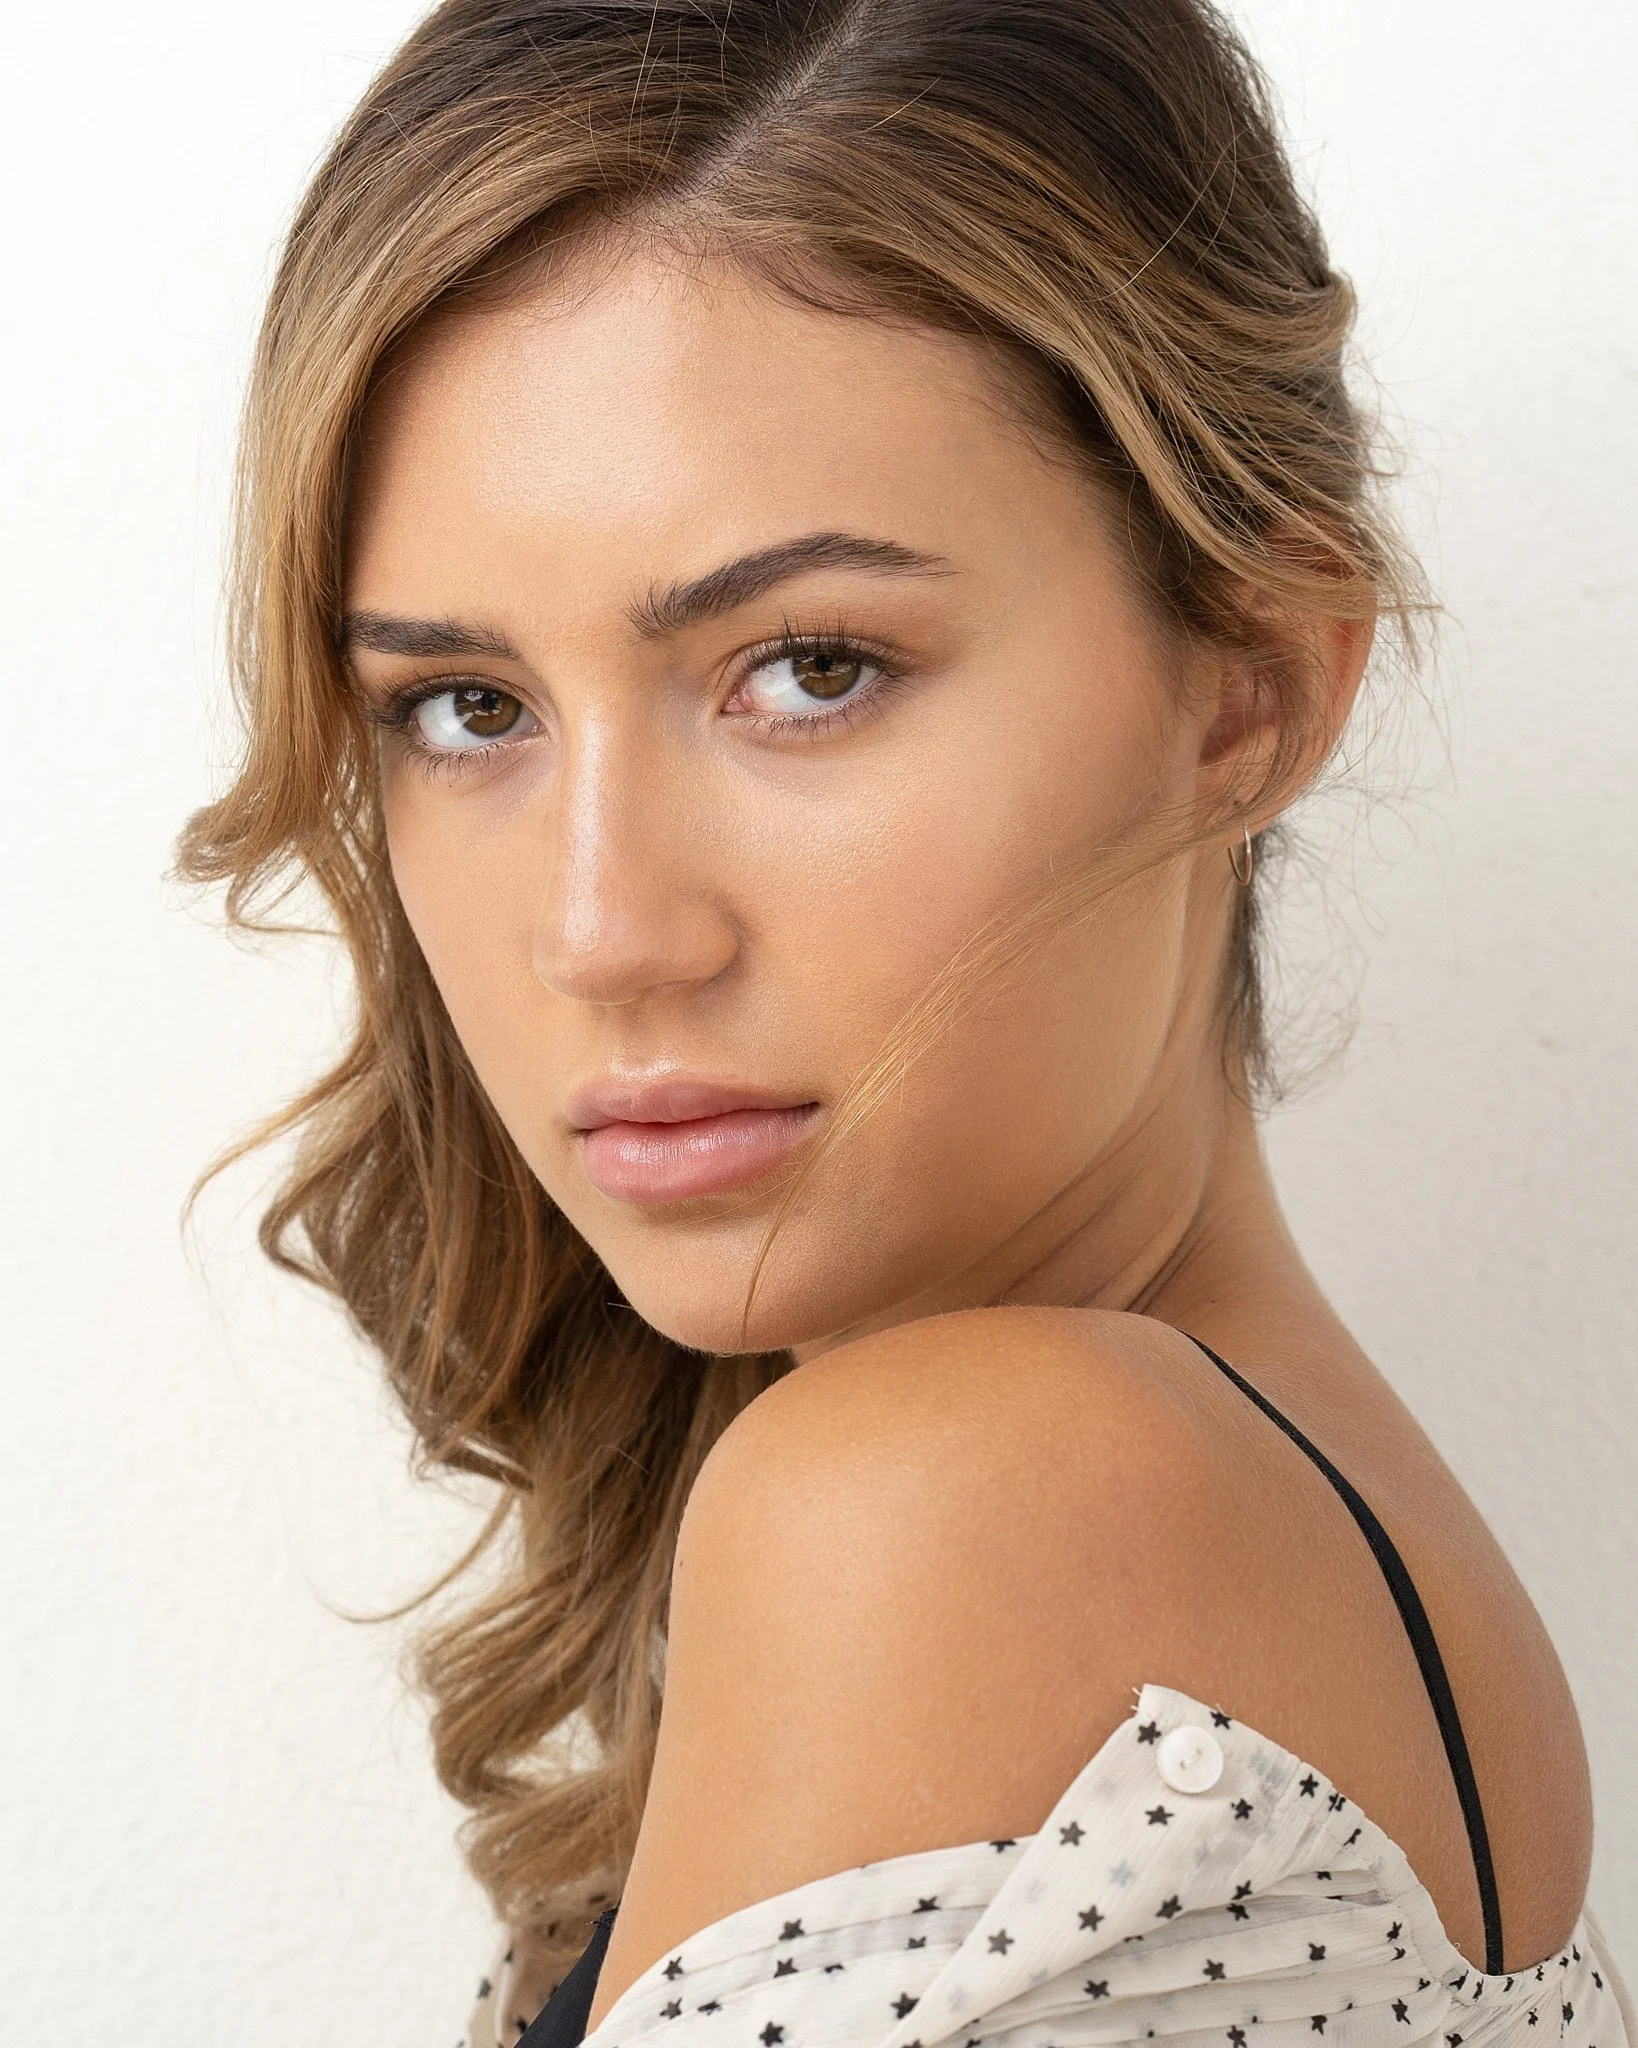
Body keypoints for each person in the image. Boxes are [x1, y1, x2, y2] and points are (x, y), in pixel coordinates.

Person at [178, 1, 1631, 2042]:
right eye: (466, 706)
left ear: (1253, 691)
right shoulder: (1375, 1559)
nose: (605, 927)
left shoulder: (957, 1501)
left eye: (813, 667)